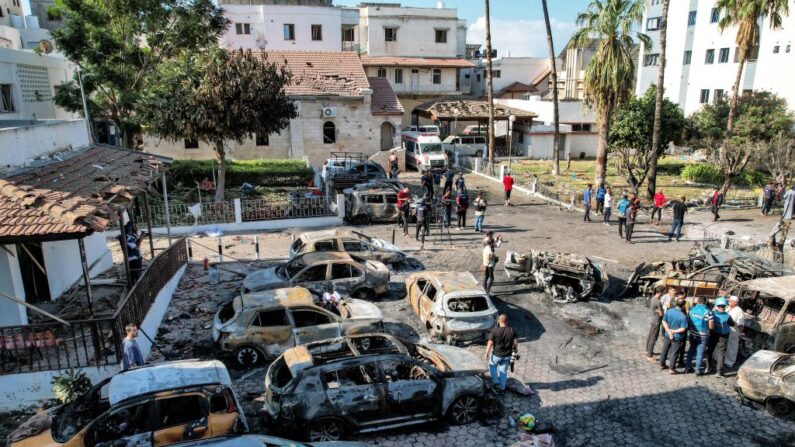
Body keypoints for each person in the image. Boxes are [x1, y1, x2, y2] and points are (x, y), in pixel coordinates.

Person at [484, 314, 518, 393]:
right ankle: (502, 387)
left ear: (498, 321)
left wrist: (486, 353)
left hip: (496, 355)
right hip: (507, 356)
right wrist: (514, 352)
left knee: (492, 366)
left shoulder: (495, 331)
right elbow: (515, 343)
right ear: (507, 321)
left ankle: (496, 382)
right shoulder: (512, 330)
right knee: (503, 370)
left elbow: (490, 343)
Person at [659, 297, 688, 374]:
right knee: (674, 353)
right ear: (683, 306)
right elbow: (683, 328)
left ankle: (662, 364)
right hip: (677, 337)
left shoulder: (669, 311)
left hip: (667, 335)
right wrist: (673, 331)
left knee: (664, 350)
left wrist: (669, 331)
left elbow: (664, 322)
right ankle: (671, 369)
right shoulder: (683, 316)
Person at [707, 296, 734, 377]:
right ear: (725, 306)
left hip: (713, 334)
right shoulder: (728, 316)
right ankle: (719, 372)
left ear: (717, 306)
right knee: (721, 353)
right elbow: (732, 324)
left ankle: (708, 368)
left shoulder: (713, 314)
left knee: (710, 350)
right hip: (724, 336)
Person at [685, 296, 712, 376]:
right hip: (703, 334)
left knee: (691, 349)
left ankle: (688, 367)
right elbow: (711, 326)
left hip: (692, 333)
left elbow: (689, 320)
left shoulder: (691, 309)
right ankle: (697, 371)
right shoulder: (707, 312)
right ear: (705, 302)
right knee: (700, 352)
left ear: (697, 301)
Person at [724, 295, 745, 369]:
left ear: (735, 302)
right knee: (724, 345)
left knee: (732, 346)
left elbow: (741, 324)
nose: (728, 302)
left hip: (734, 331)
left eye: (730, 301)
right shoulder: (728, 308)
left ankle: (730, 362)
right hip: (726, 330)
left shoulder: (739, 311)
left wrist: (740, 333)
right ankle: (722, 359)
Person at [645, 285, 665, 361]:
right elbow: (661, 314)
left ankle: (647, 350)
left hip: (653, 319)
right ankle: (650, 355)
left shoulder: (653, 298)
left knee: (650, 336)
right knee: (653, 338)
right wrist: (662, 312)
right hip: (657, 321)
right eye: (664, 291)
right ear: (661, 292)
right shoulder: (658, 302)